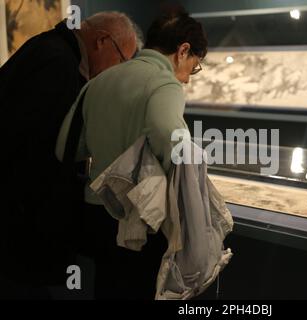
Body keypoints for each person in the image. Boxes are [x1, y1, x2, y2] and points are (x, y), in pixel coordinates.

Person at [55, 5, 208, 299]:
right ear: (183, 50)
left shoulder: (98, 81)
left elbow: (66, 148)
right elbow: (171, 142)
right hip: (139, 221)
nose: (189, 77)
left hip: (96, 217)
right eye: (194, 66)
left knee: (107, 290)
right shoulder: (166, 84)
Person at [0, 12, 142, 299]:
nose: (118, 71)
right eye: (122, 61)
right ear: (102, 41)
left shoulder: (51, 49)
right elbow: (36, 152)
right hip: (18, 231)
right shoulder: (58, 63)